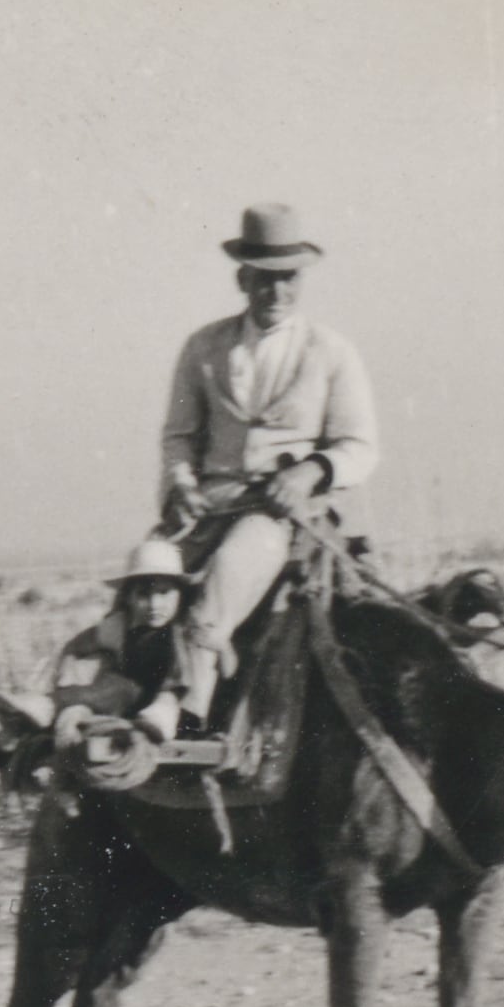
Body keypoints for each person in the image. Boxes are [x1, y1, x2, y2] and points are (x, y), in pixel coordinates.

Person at [154, 202, 380, 735]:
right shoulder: (203, 348)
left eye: (288, 279)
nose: (276, 293)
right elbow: (178, 438)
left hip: (279, 516)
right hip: (208, 507)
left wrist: (308, 474)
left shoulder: (333, 352)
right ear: (242, 277)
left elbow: (360, 446)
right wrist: (182, 485)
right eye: (264, 279)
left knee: (224, 582)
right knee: (148, 577)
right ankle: (88, 701)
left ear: (302, 280)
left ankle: (180, 710)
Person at [44, 533, 197, 749]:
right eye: (144, 595)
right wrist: (66, 668)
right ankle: (53, 708)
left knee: (169, 690)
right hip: (128, 694)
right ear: (128, 598)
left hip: (167, 699)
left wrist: (223, 647)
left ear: (180, 595)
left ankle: (159, 718)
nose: (154, 604)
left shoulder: (182, 629)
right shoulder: (120, 626)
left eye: (164, 593)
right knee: (109, 688)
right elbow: (78, 644)